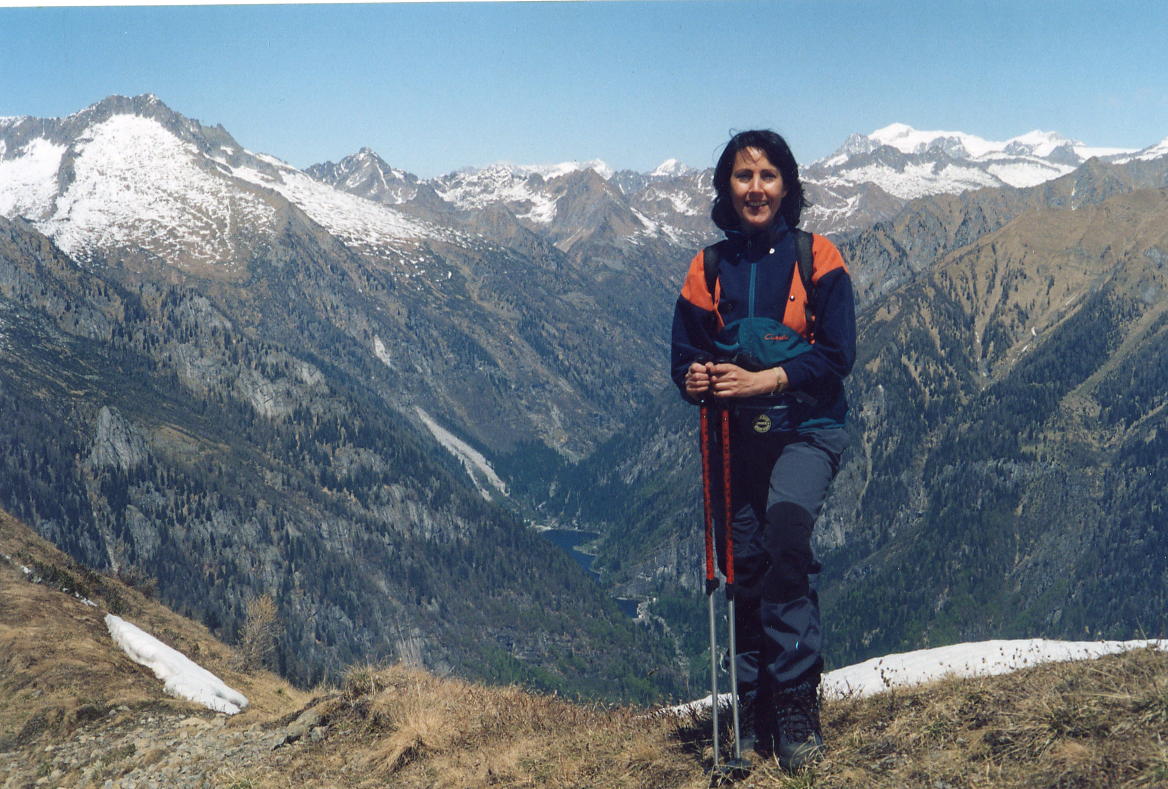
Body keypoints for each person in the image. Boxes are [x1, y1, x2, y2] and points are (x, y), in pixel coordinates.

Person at [670, 129, 855, 770]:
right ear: (726, 188)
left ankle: (796, 702)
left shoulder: (818, 257)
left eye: (768, 175)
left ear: (787, 186)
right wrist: (695, 378)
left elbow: (837, 358)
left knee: (785, 535)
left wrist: (764, 379)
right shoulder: (709, 268)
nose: (756, 188)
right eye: (743, 176)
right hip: (734, 437)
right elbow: (686, 358)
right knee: (745, 562)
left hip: (806, 428)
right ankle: (752, 705)